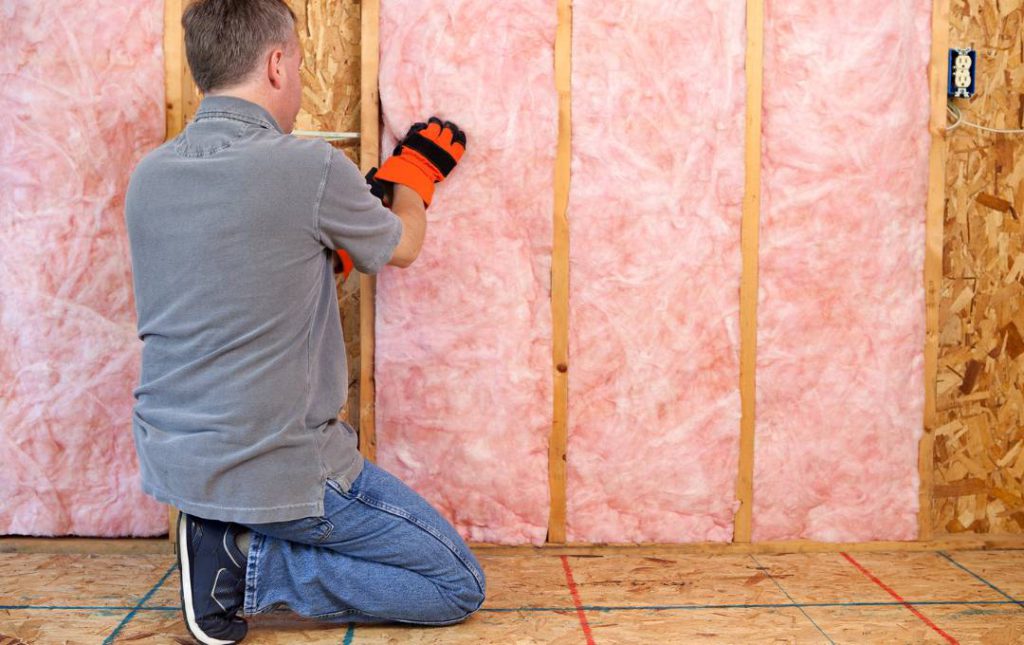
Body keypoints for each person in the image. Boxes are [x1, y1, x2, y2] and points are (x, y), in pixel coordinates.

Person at [123, 1, 483, 643]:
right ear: (278, 63)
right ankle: (244, 566)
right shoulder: (308, 167)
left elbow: (240, 283)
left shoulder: (148, 177)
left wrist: (331, 239)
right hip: (280, 466)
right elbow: (401, 245)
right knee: (454, 584)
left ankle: (218, 531)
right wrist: (413, 178)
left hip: (175, 458)